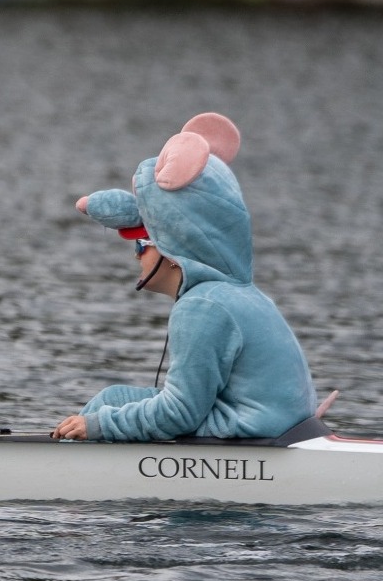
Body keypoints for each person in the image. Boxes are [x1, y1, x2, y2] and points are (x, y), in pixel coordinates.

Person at [52, 112, 315, 442]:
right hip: (281, 423)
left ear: (173, 249)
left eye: (141, 242)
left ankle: (65, 461)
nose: (136, 254)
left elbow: (180, 413)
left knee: (105, 414)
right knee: (113, 400)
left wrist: (99, 427)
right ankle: (68, 446)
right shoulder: (241, 294)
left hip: (256, 433)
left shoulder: (203, 307)